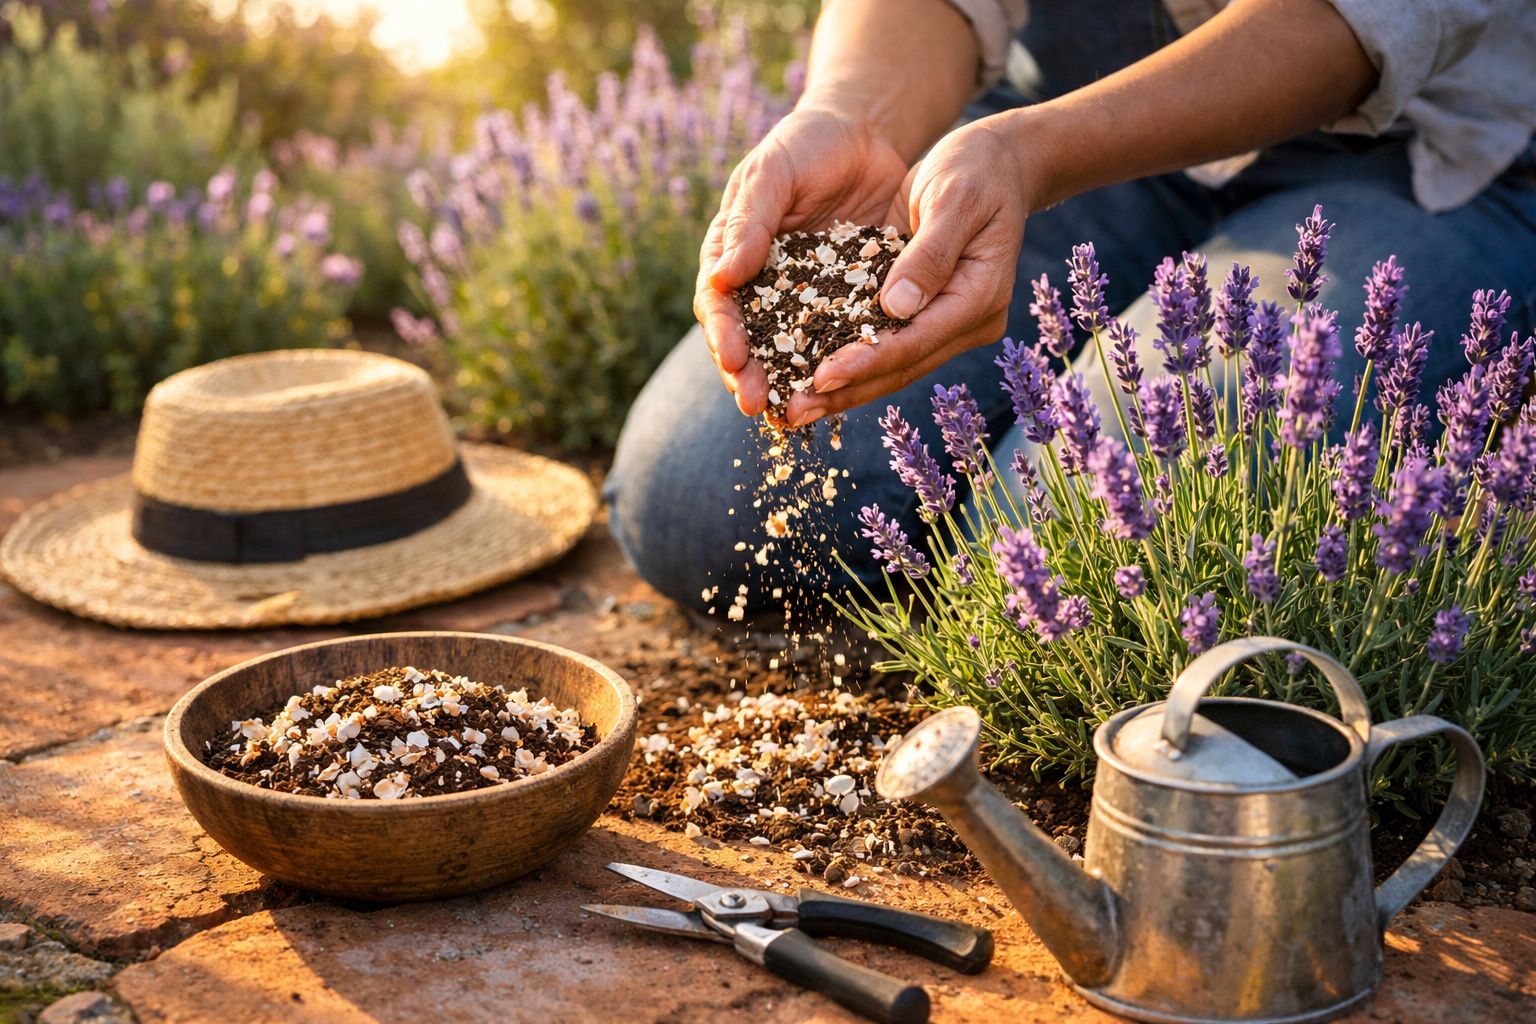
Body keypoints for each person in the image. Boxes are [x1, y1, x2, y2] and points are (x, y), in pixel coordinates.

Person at [607, 0, 1536, 624]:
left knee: (1057, 546)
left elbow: (1352, 23)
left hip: (1422, 153)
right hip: (1059, 110)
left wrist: (1031, 156)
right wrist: (856, 118)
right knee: (697, 499)